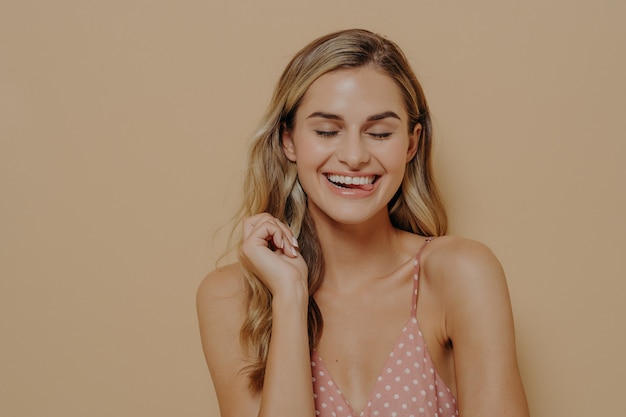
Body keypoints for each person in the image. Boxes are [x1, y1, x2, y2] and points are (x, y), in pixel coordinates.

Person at [197, 28, 529, 417]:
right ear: (288, 140)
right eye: (326, 131)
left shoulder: (460, 274)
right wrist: (289, 296)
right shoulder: (232, 297)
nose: (354, 156)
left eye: (379, 133)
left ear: (410, 143)